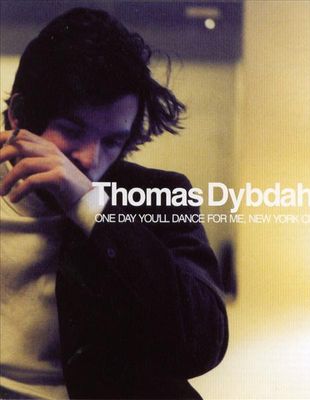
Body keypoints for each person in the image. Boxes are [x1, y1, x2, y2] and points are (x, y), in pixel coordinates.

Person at [0, 7, 228, 400]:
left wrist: (91, 207)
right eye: (72, 131)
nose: (91, 160)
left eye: (111, 141)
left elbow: (202, 344)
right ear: (19, 115)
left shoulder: (159, 196)